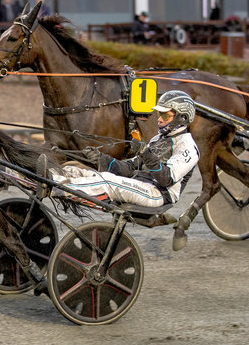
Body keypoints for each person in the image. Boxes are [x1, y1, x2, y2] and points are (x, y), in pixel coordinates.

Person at [43, 90, 200, 251]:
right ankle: (46, 176)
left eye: (165, 116)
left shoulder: (187, 147)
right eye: (160, 114)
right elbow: (129, 168)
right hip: (140, 184)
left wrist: (145, 153)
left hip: (159, 193)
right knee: (77, 170)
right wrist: (100, 159)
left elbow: (166, 179)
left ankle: (56, 186)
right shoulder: (157, 140)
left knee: (109, 182)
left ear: (182, 118)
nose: (159, 119)